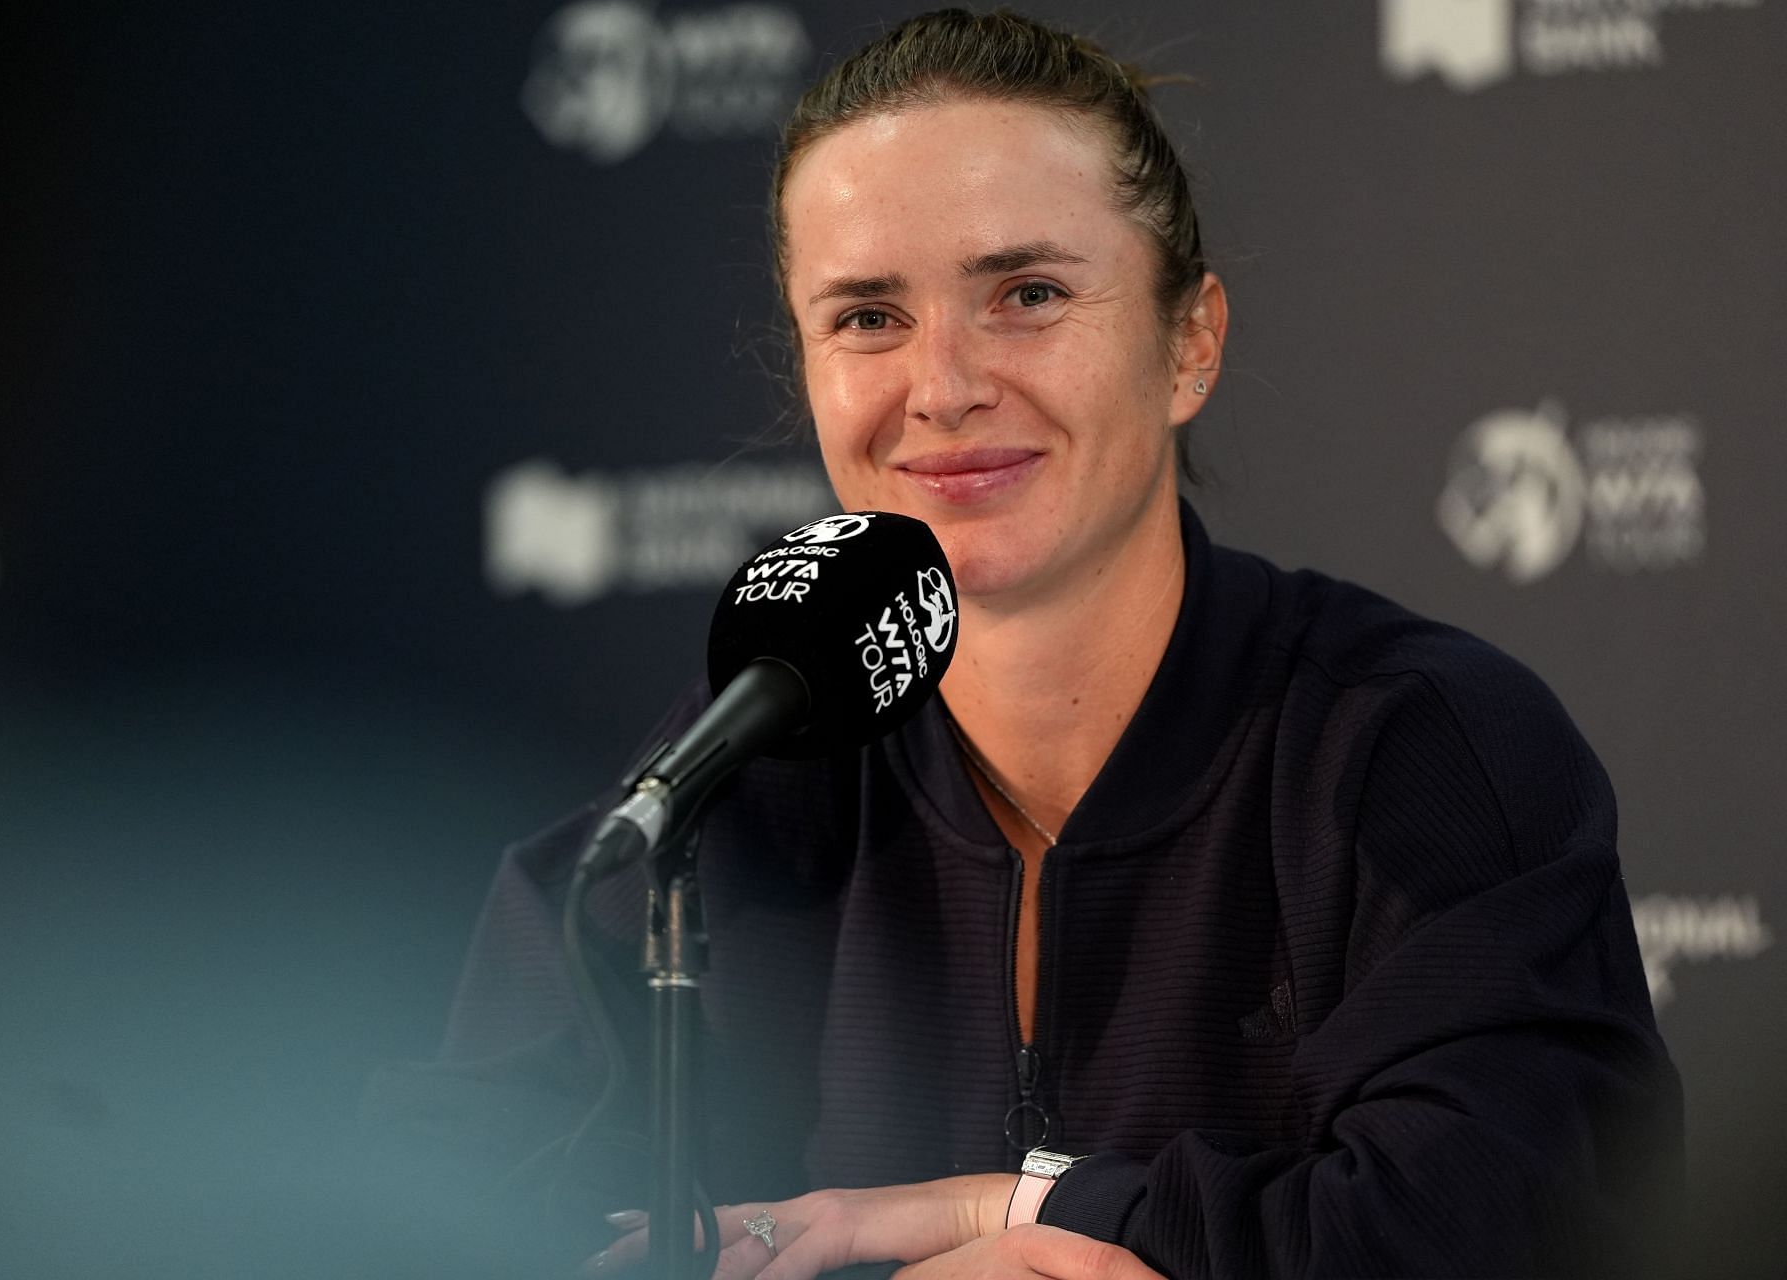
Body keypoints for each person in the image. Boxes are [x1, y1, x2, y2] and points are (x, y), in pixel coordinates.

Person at [392, 9, 1682, 1277]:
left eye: (1029, 293)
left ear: (1190, 343)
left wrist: (1007, 1212)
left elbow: (1509, 1228)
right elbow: (428, 1212)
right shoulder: (738, 766)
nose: (943, 386)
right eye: (866, 317)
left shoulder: (1413, 744)